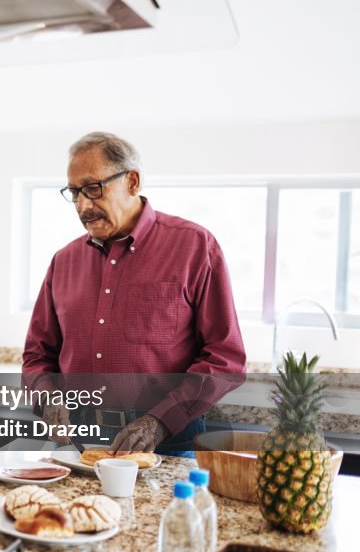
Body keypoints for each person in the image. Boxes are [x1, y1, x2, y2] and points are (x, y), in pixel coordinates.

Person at [23, 132, 246, 456]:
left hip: (169, 442)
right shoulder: (63, 261)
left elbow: (226, 357)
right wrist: (47, 397)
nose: (83, 205)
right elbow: (37, 356)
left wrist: (159, 421)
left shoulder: (195, 246)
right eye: (74, 193)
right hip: (78, 444)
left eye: (93, 188)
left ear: (132, 182)